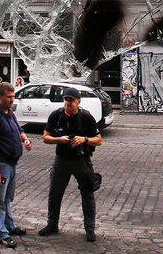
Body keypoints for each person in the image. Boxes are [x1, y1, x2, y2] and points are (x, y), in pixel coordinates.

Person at [38, 87, 103, 242]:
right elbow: (46, 137)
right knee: (55, 194)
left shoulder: (86, 117)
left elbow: (98, 140)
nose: (68, 103)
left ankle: (90, 229)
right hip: (61, 160)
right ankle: (52, 225)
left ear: (78, 101)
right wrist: (60, 139)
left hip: (81, 161)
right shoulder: (57, 115)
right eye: (66, 100)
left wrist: (84, 139)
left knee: (87, 195)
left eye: (71, 100)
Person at [0, 82, 33, 248]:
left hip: (11, 164)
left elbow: (19, 129)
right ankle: (1, 234)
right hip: (1, 165)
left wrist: (25, 139)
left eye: (13, 96)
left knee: (6, 198)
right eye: (9, 97)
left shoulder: (9, 112)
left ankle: (9, 226)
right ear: (0, 96)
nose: (13, 100)